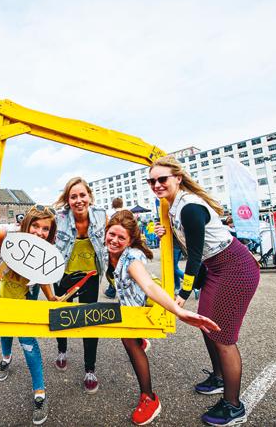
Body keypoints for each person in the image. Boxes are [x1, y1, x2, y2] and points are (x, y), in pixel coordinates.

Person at [150, 156, 260, 426]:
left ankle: (234, 406)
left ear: (177, 177)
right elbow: (190, 244)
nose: (156, 184)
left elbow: (195, 255)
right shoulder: (172, 206)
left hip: (235, 267)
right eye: (151, 181)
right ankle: (219, 378)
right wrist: (166, 232)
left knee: (223, 337)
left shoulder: (188, 207)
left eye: (161, 179)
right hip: (216, 268)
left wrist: (183, 293)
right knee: (207, 325)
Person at [105, 210, 220, 425]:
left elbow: (148, 286)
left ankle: (149, 398)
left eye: (121, 238)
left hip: (141, 307)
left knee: (128, 341)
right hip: (127, 304)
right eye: (112, 234)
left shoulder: (130, 259)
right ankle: (140, 341)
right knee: (128, 337)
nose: (114, 240)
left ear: (130, 240)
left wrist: (179, 312)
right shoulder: (107, 250)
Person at [0, 205, 58, 425]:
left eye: (45, 229)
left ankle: (40, 392)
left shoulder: (46, 247)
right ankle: (6, 358)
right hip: (3, 285)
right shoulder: (5, 233)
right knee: (5, 327)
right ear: (26, 223)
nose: (39, 232)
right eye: (35, 226)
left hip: (28, 289)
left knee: (27, 338)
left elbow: (43, 275)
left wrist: (52, 298)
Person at [53, 177, 107, 393]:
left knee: (89, 321)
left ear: (89, 196)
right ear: (67, 200)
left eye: (82, 195)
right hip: (63, 276)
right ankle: (62, 350)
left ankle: (90, 369)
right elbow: (36, 229)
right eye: (73, 196)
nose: (78, 200)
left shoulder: (102, 216)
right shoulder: (59, 218)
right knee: (62, 318)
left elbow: (118, 235)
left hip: (90, 277)